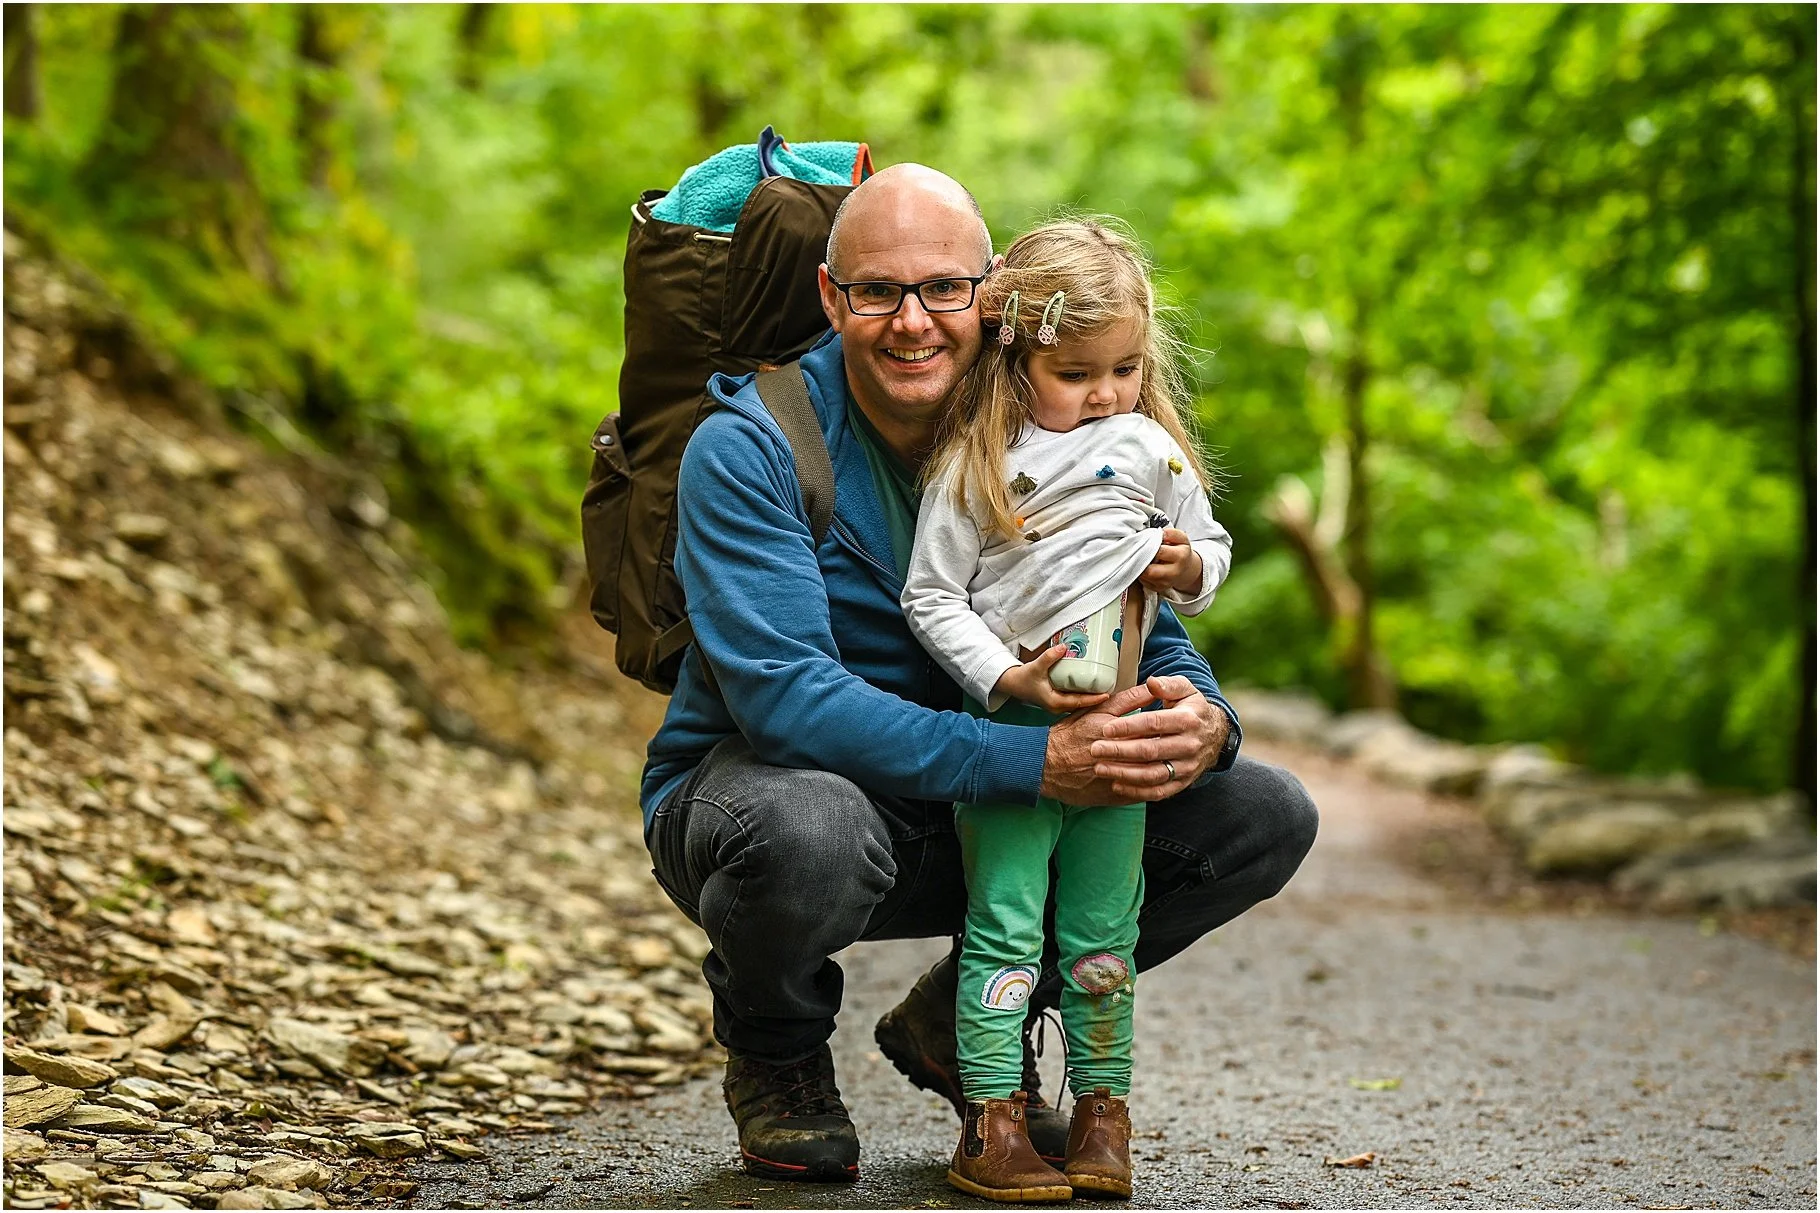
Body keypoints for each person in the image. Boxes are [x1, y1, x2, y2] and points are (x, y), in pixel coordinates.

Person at [639, 163, 1318, 1184]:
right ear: (833, 297)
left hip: (986, 798)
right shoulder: (750, 448)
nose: (913, 323)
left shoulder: (1052, 422)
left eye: (942, 289)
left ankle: (963, 1027)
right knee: (808, 832)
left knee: (1256, 810)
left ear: (989, 293)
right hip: (780, 792)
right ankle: (775, 1052)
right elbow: (784, 700)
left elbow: (1127, 596)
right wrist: (1032, 760)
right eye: (876, 292)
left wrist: (1204, 719)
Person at [900, 218, 1230, 1202]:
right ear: (1016, 359)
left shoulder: (1149, 452)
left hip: (1121, 725)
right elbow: (930, 595)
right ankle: (992, 1119)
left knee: (1100, 933)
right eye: (1076, 371)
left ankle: (1101, 1111)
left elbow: (1206, 544)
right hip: (1012, 732)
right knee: (1003, 924)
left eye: (1123, 368)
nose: (1104, 392)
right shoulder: (978, 465)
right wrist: (1003, 680)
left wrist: (1188, 568)